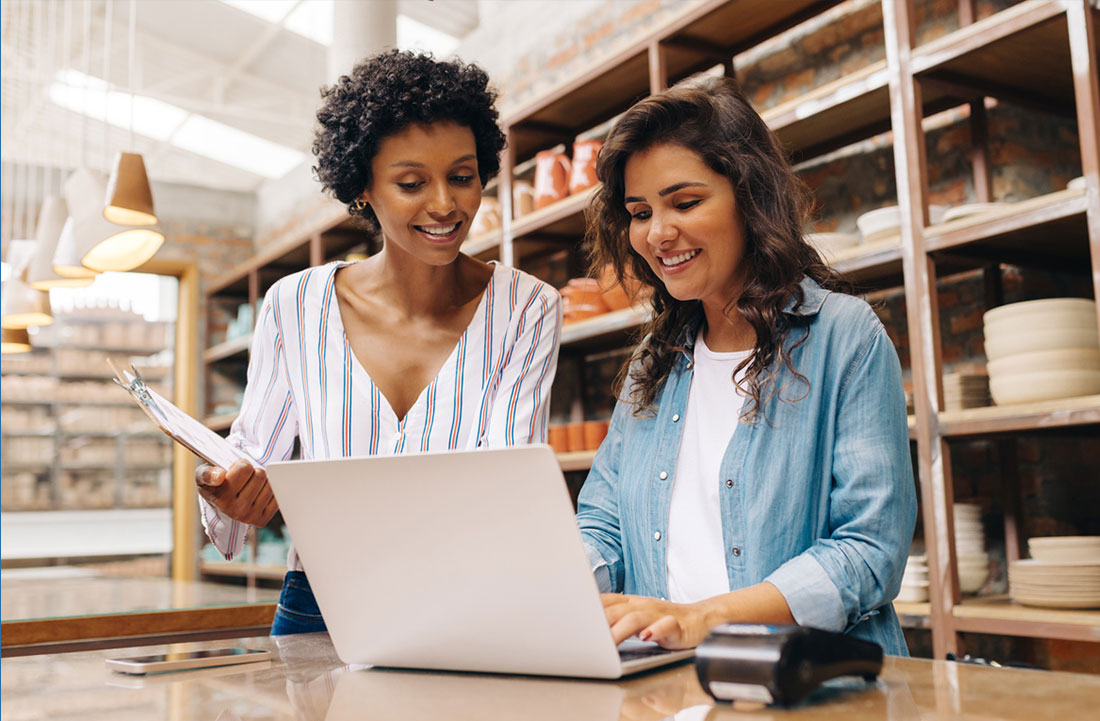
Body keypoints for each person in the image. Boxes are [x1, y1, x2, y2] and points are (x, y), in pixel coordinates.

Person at [195, 51, 562, 635]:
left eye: (462, 177)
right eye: (412, 182)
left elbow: (507, 484)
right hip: (322, 601)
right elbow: (252, 456)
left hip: (469, 598)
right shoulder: (295, 306)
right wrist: (227, 489)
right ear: (363, 187)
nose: (445, 204)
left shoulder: (526, 307)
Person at [577, 76, 916, 655]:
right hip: (672, 682)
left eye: (685, 202)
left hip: (811, 687)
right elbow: (604, 525)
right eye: (639, 211)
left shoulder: (845, 337)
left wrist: (702, 619)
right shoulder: (650, 365)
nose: (658, 233)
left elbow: (867, 551)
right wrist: (543, 586)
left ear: (750, 198)